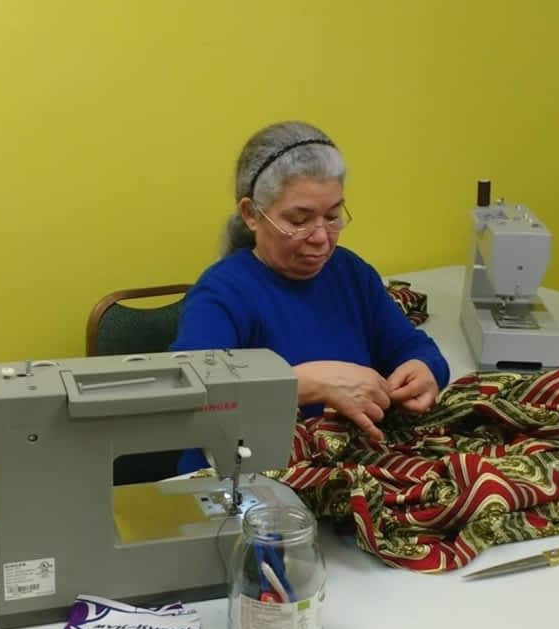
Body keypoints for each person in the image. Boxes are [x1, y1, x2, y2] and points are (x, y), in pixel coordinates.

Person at [171, 121, 449, 471]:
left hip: (341, 471)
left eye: (333, 216)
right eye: (299, 220)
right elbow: (191, 397)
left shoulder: (351, 275)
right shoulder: (222, 293)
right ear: (251, 214)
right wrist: (306, 384)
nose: (321, 238)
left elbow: (414, 348)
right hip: (237, 481)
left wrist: (424, 370)